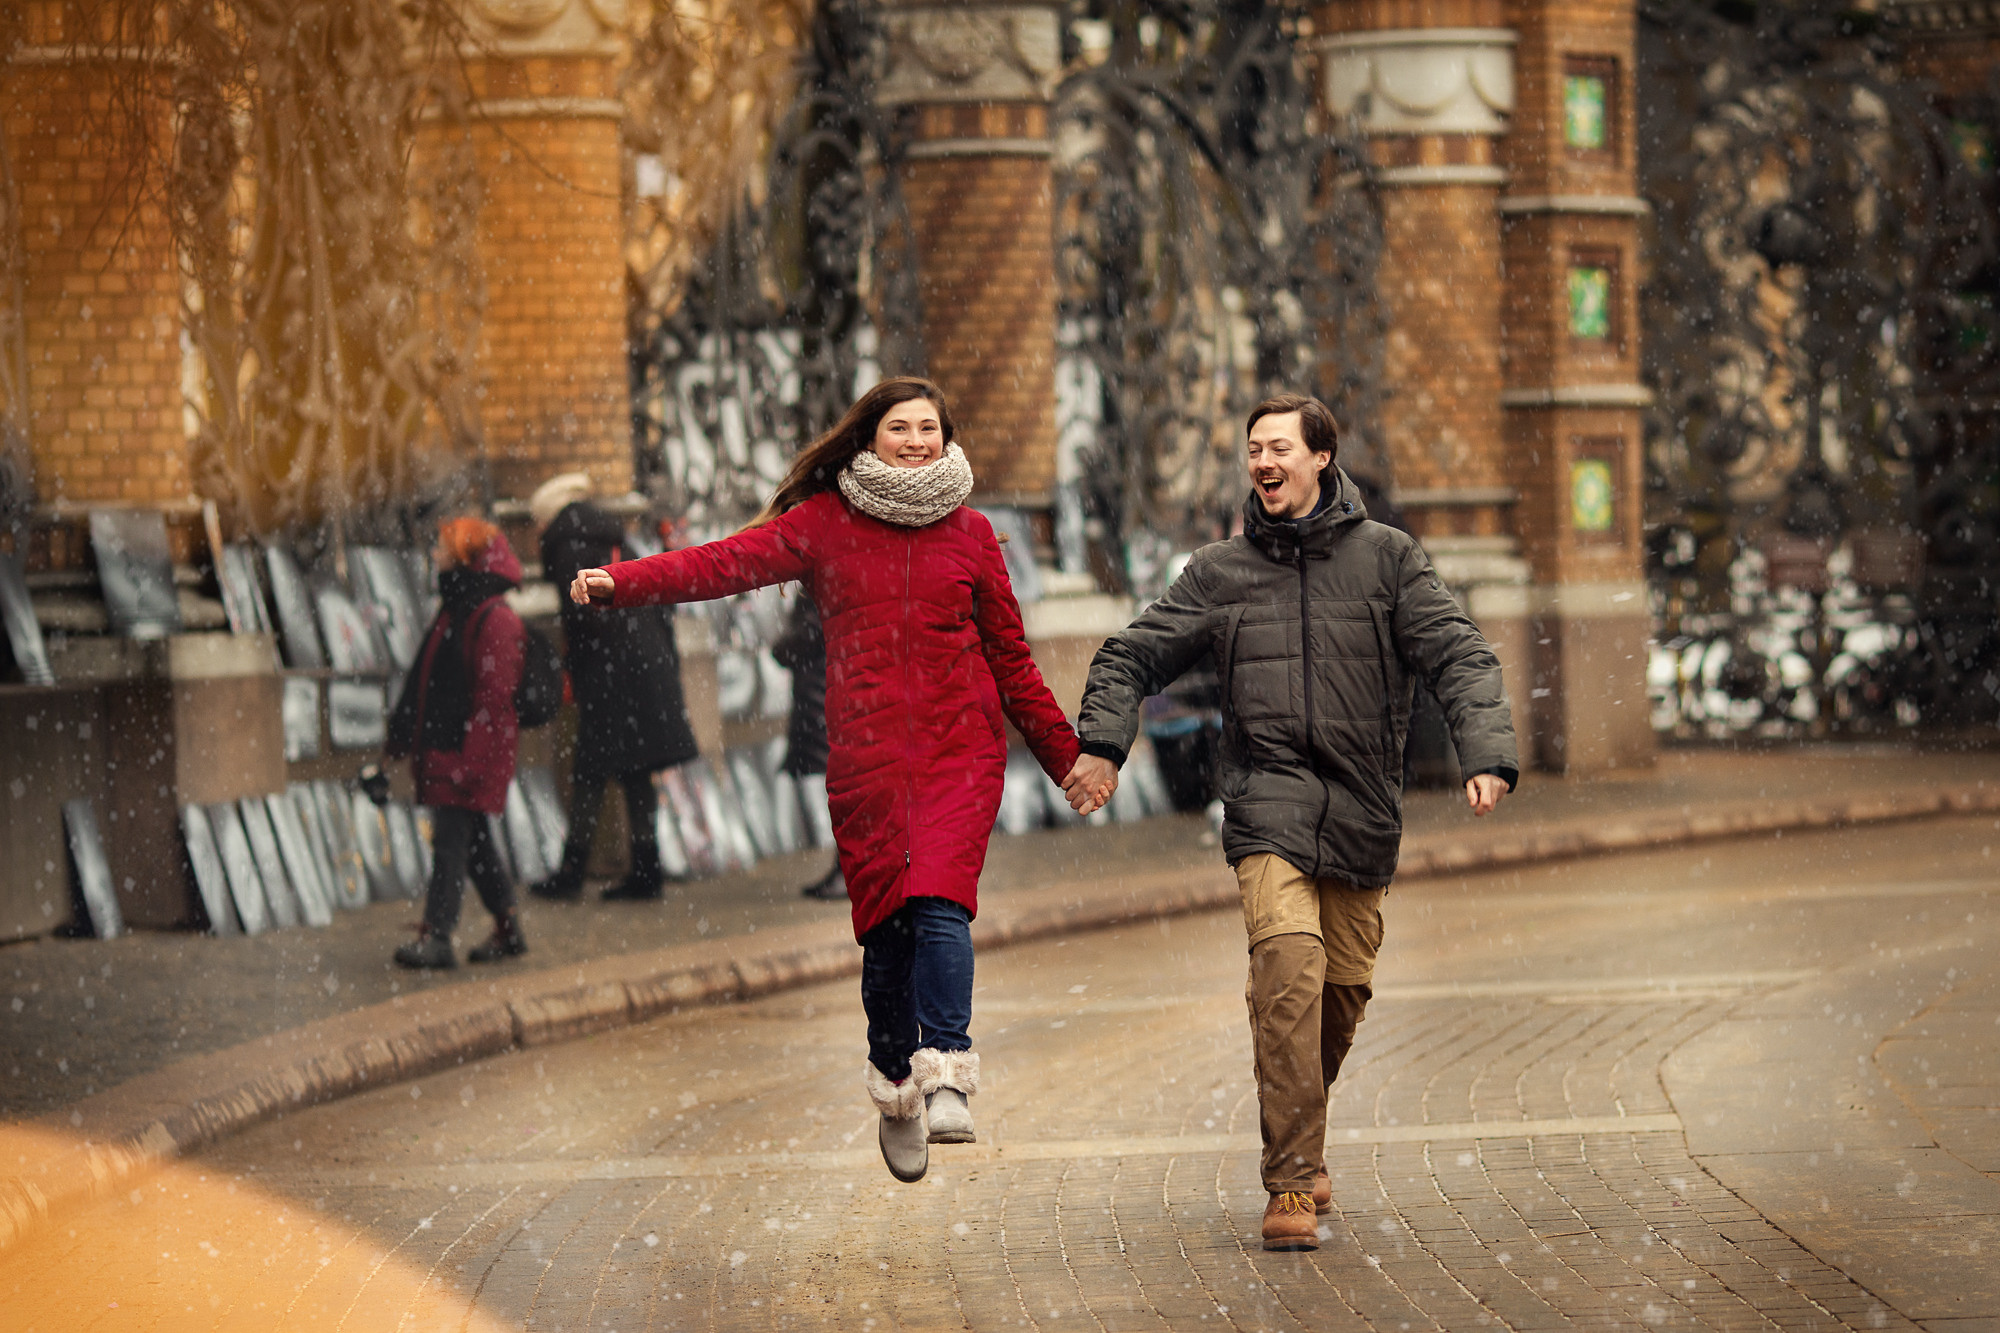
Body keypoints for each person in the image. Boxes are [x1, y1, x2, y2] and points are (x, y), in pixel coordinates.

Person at [569, 377, 1114, 1182]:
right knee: (887, 935)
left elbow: (1012, 661)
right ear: (868, 439)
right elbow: (725, 564)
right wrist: (626, 583)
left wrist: (1067, 759)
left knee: (937, 902)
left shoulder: (973, 535)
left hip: (959, 753)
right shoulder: (825, 525)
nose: (918, 440)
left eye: (931, 427)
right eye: (902, 427)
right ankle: (896, 1082)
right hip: (866, 757)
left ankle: (948, 1071)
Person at [1065, 394, 1519, 1251]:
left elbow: (1459, 652)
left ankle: (1302, 1131)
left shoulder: (1388, 560)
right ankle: (1290, 1187)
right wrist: (1102, 744)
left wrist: (1485, 750)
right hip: (1267, 798)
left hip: (1362, 805)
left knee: (1339, 992)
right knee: (1289, 968)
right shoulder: (1222, 571)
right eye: (1252, 450)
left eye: (1278, 447)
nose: (1262, 463)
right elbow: (1132, 652)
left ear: (1320, 458)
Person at [527, 472, 700, 902]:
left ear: (548, 518)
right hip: (643, 664)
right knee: (635, 768)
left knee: (591, 768)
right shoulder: (610, 533)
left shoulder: (569, 543)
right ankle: (647, 868)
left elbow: (582, 612)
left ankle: (572, 872)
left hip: (611, 673)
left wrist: (578, 664)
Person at [384, 517, 531, 969]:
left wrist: (471, 763)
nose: (434, 556)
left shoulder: (494, 617)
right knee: (475, 843)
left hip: (467, 755)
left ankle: (438, 936)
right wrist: (400, 738)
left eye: (443, 549)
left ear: (465, 556)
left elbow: (495, 701)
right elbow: (424, 680)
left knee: (451, 842)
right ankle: (507, 927)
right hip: (448, 748)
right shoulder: (455, 607)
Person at [771, 591, 843, 899]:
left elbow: (808, 634)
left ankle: (848, 870)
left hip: (824, 693)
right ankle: (848, 869)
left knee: (843, 788)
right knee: (844, 787)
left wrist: (782, 646)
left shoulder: (820, 580)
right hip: (825, 690)